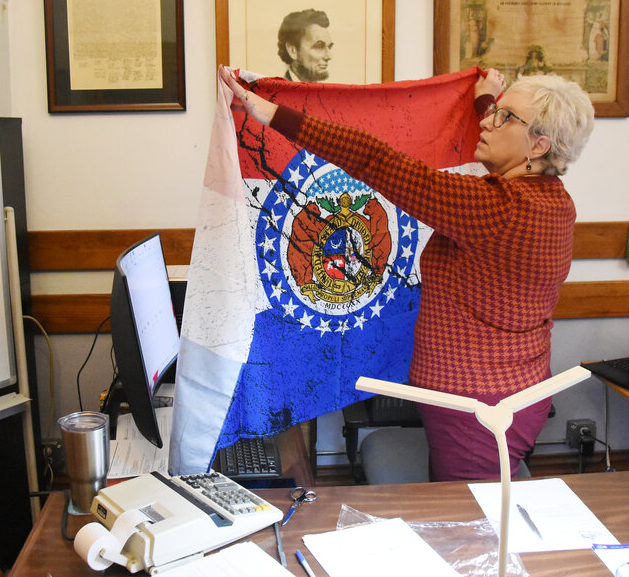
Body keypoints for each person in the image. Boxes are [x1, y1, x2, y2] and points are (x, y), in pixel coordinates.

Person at [218, 64, 595, 481]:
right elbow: (508, 161)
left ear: (540, 144)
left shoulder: (497, 209)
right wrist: (485, 100)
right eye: (494, 112)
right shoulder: (552, 199)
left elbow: (376, 161)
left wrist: (272, 115)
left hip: (479, 411)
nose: (487, 122)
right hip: (507, 390)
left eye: (504, 117)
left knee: (468, 522)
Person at [276, 9, 334, 82]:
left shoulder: (324, 92)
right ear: (293, 50)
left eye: (329, 47)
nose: (329, 56)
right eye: (319, 46)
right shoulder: (278, 92)